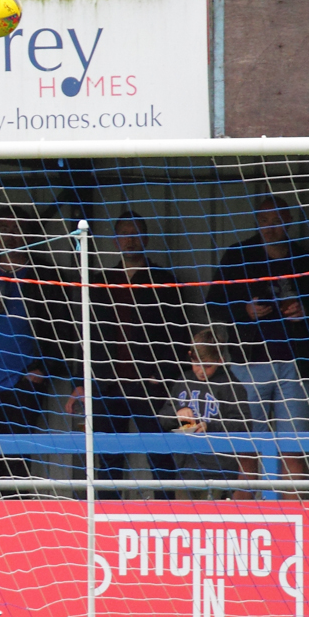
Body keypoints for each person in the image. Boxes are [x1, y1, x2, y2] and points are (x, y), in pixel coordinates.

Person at [65, 213, 190, 498]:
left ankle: (166, 510)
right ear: (115, 240)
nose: (130, 239)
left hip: (150, 385)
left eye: (135, 233)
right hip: (107, 384)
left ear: (146, 238)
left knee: (160, 454)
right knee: (109, 458)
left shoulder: (164, 281)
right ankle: (107, 514)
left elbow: (178, 334)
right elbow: (86, 336)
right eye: (124, 233)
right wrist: (80, 382)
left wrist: (164, 375)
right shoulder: (101, 282)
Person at [207, 196, 309, 481]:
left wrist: (304, 312)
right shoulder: (238, 255)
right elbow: (213, 303)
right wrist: (244, 310)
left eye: (276, 221)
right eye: (264, 221)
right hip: (248, 364)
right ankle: (247, 507)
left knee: (293, 448)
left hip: (295, 366)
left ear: (289, 222)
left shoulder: (306, 260)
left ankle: (290, 507)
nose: (270, 228)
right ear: (257, 222)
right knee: (247, 448)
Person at [0, 209, 75, 490]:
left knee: (18, 461)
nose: (10, 235)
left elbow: (64, 330)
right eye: (4, 228)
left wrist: (44, 369)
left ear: (28, 233)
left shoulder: (45, 273)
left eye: (17, 228)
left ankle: (18, 515)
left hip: (25, 383)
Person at [158, 330, 259, 500]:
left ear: (220, 360)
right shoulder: (183, 381)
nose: (201, 371)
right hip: (186, 469)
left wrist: (210, 426)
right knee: (184, 514)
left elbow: (244, 424)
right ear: (190, 356)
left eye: (207, 366)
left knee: (214, 515)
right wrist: (177, 415)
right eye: (196, 364)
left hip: (219, 471)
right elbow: (163, 418)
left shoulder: (230, 385)